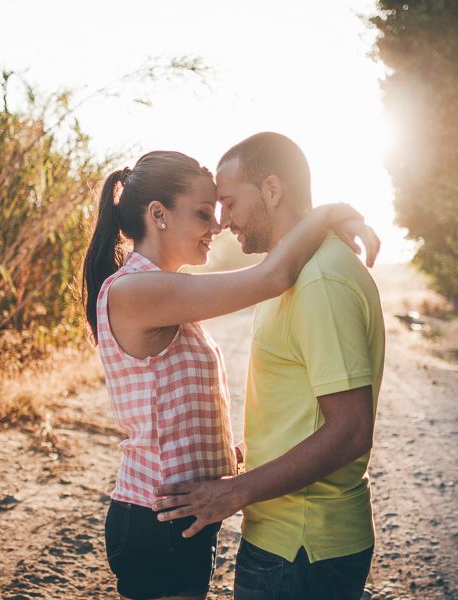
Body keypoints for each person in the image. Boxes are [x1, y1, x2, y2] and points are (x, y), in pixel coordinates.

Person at [81, 149, 379, 600]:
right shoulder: (137, 289)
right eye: (204, 213)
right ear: (157, 215)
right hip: (156, 517)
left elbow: (179, 410)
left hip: (179, 514)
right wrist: (329, 213)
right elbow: (271, 276)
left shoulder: (162, 288)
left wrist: (241, 459)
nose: (218, 225)